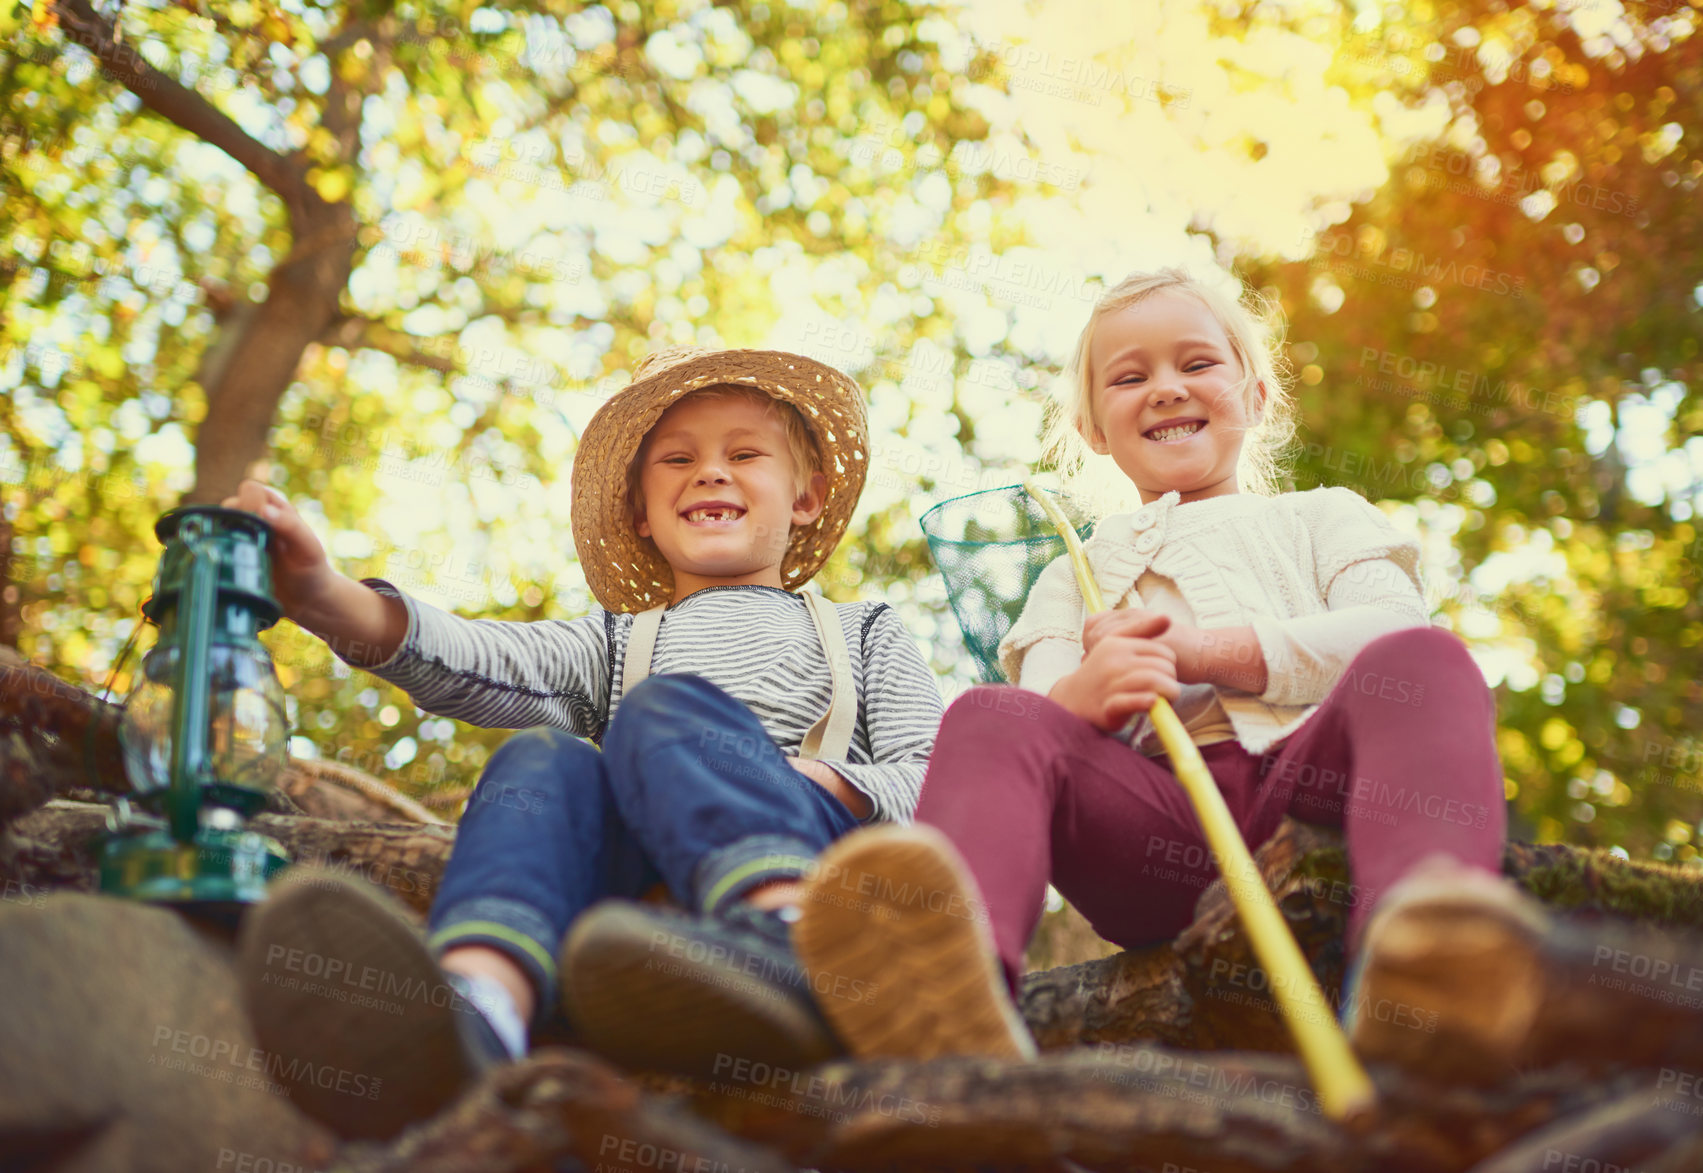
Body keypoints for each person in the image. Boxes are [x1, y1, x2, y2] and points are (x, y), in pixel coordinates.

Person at [792, 267, 1543, 1081]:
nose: (1163, 388)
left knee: (1423, 659)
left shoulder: (1321, 514)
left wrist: (1203, 650)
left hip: (1315, 788)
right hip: (1155, 835)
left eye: (1195, 364)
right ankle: (948, 978)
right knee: (990, 712)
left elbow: (1387, 626)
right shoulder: (1072, 575)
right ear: (1091, 429)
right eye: (1128, 376)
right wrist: (1086, 698)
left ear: (1256, 397)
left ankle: (1427, 938)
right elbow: (1037, 718)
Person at [227, 345, 942, 1139]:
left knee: (663, 710)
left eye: (744, 453)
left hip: (815, 851)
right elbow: (479, 656)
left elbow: (936, 779)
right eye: (678, 458)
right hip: (644, 887)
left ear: (805, 499)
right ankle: (477, 1010)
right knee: (541, 759)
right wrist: (323, 595)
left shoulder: (862, 630)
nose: (709, 472)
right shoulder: (617, 643)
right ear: (641, 511)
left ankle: (782, 938)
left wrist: (820, 781)